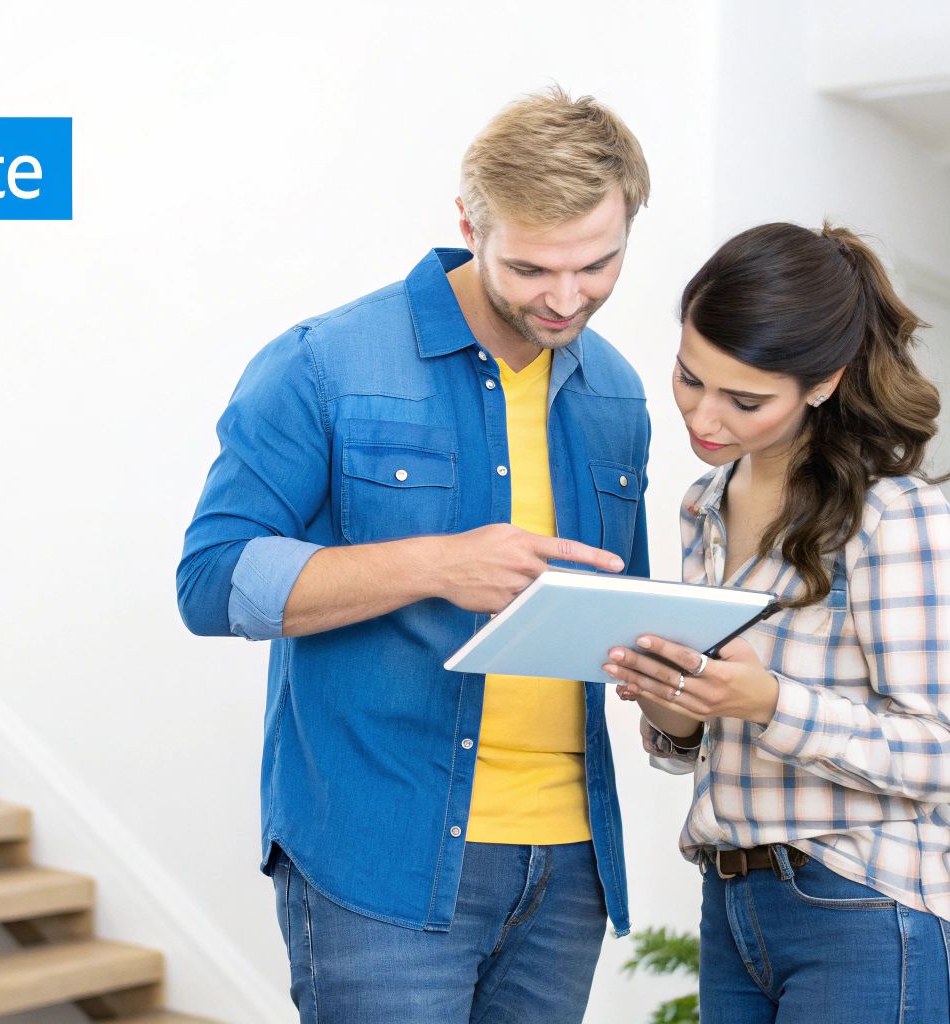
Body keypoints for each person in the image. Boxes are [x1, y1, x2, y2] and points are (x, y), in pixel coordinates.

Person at [177, 86, 653, 1022]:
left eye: (597, 266)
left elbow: (613, 614)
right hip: (378, 863)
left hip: (566, 870)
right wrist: (436, 565)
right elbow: (210, 580)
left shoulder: (616, 392)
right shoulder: (325, 362)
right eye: (529, 269)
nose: (566, 299)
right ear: (468, 224)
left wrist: (668, 671)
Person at [604, 222, 950, 1023]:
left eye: (746, 400)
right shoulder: (704, 505)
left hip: (873, 907)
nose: (705, 418)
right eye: (689, 377)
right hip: (735, 902)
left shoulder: (895, 518)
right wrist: (673, 707)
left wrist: (768, 701)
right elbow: (711, 735)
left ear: (823, 383)